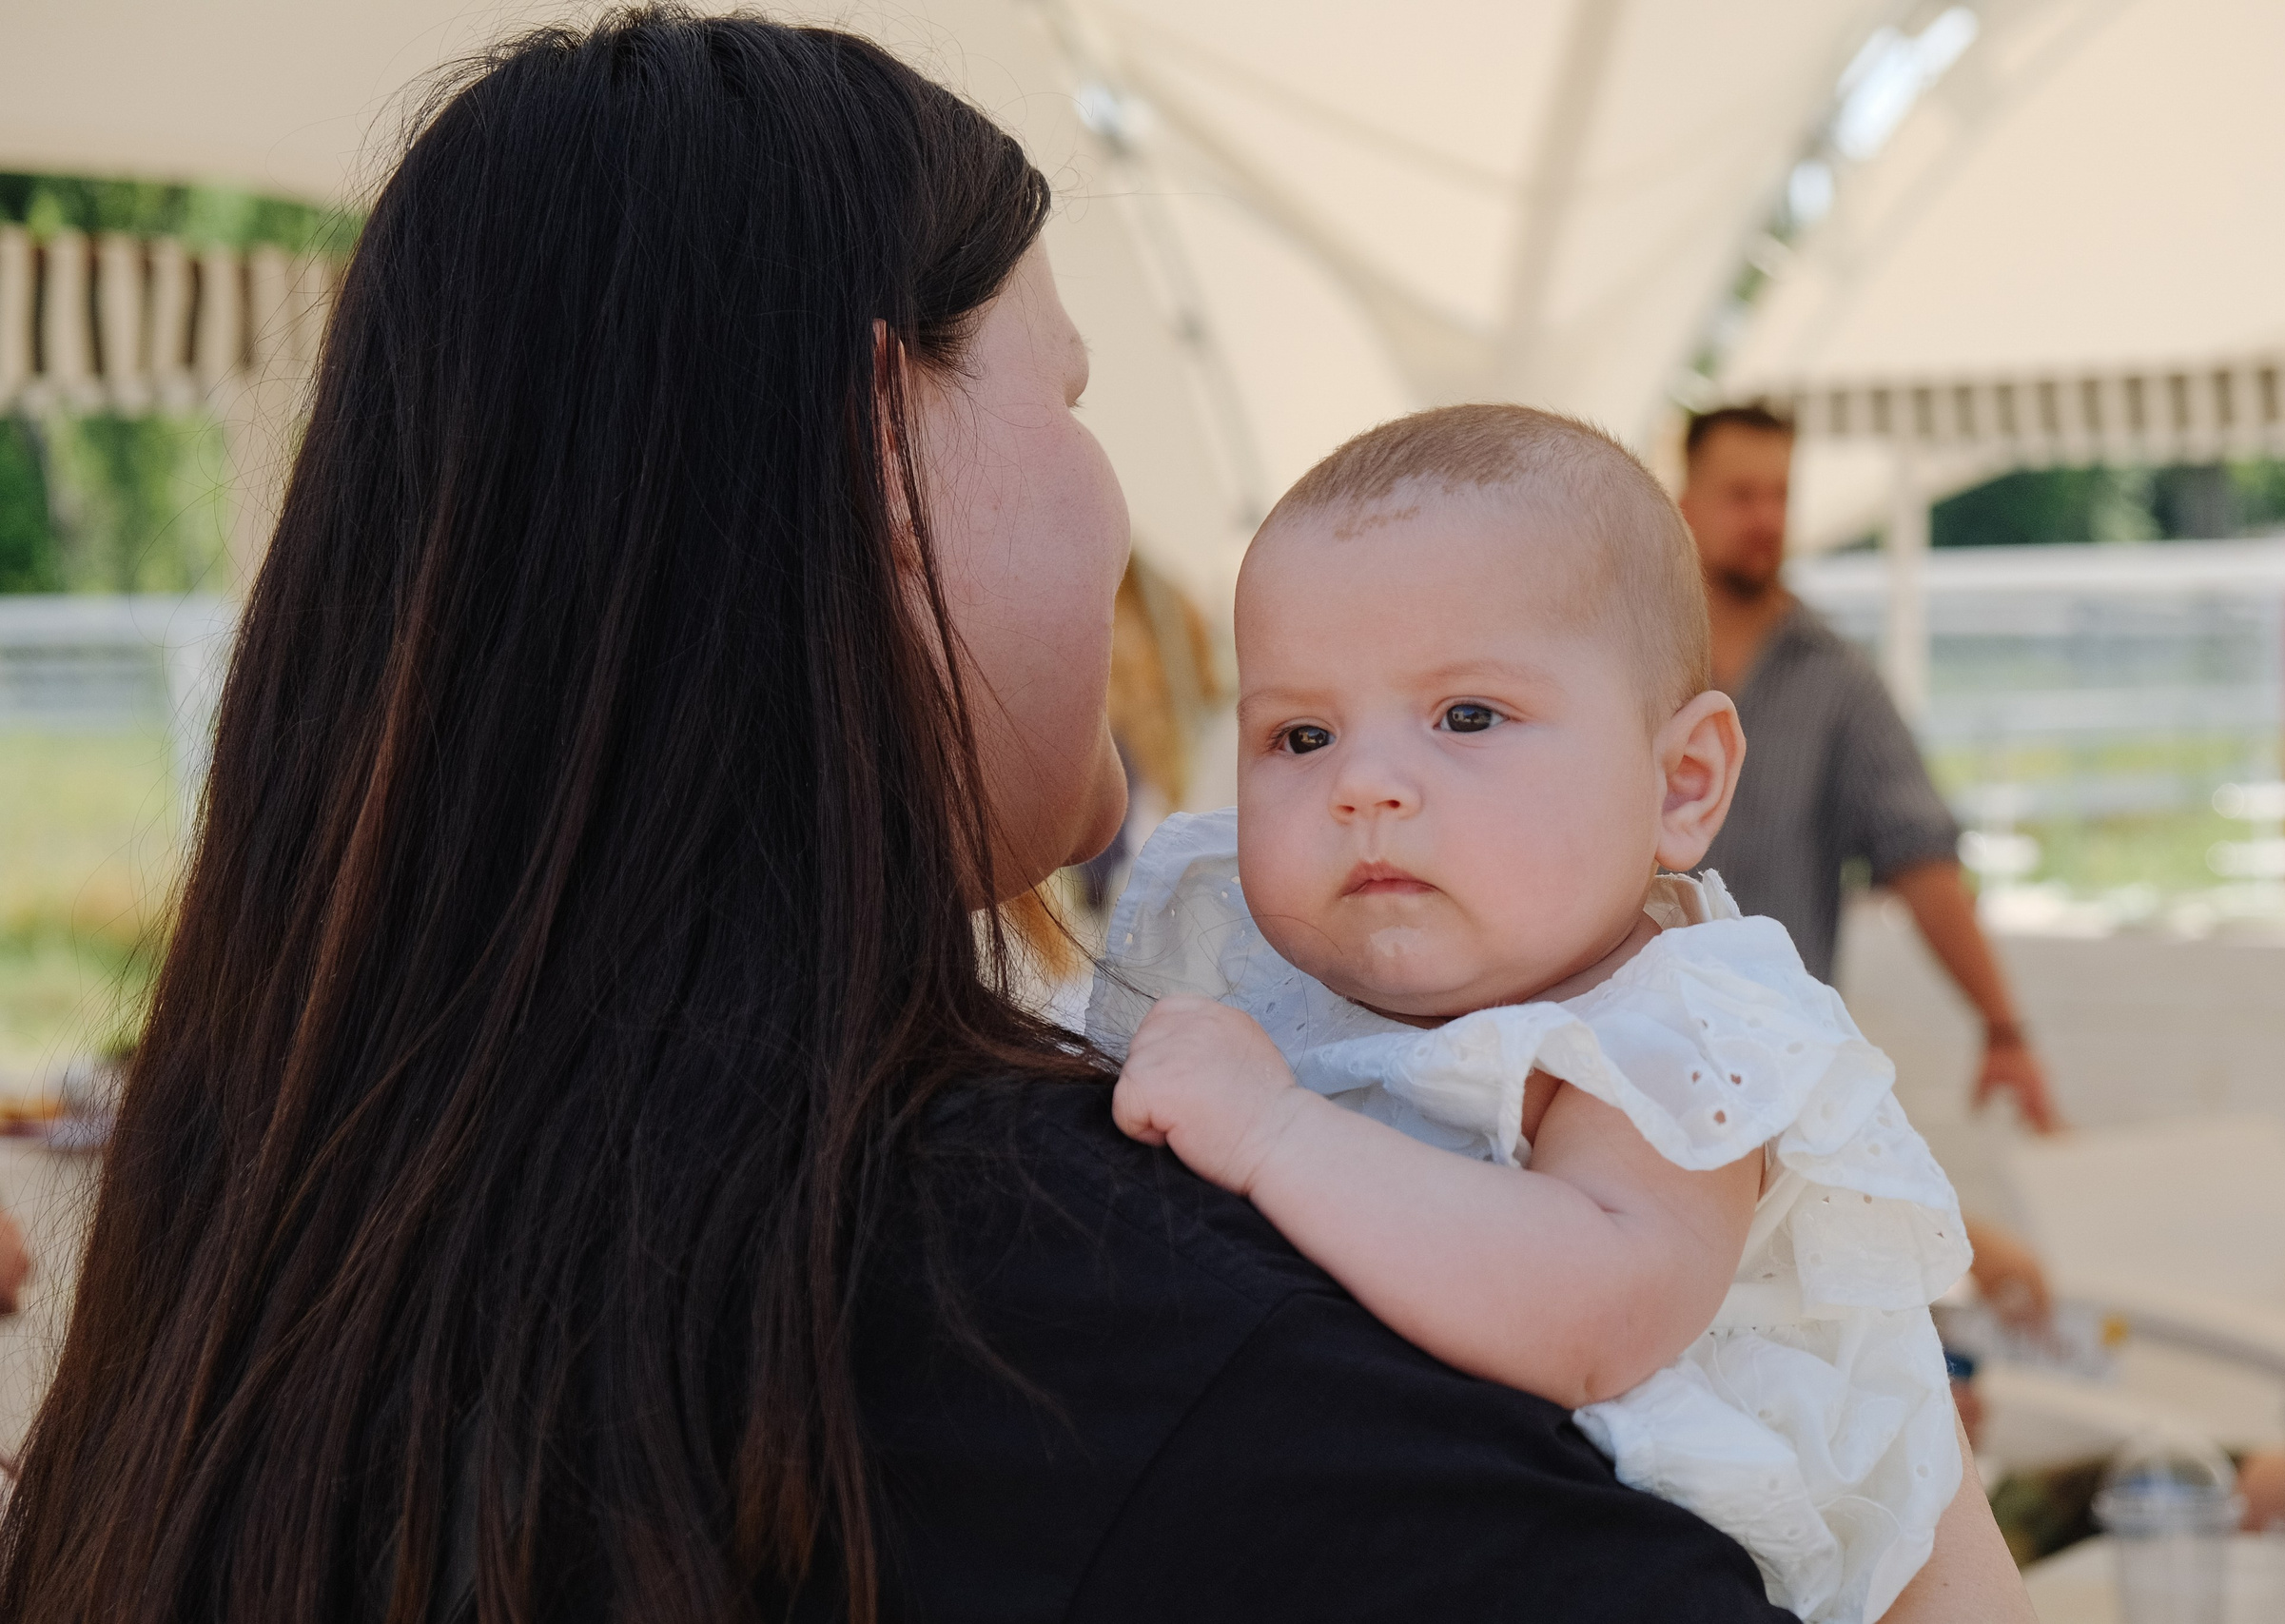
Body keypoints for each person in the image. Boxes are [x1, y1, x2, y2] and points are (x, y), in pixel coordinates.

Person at [0, 16, 2024, 1623]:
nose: (1110, 513)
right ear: (887, 454)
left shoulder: (275, 1232)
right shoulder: (1117, 1329)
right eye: (1067, 404)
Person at [1095, 406, 2021, 1624]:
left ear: (1679, 784)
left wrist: (1271, 1135)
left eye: (1466, 716)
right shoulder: (1252, 991)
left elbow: (1598, 1307)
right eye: (1300, 735)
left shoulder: (1673, 1026)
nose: (1363, 784)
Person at [1680, 406, 2060, 1132]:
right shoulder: (1631, 661)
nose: (1765, 517)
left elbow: (1920, 855)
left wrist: (2003, 1027)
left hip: (1779, 1064)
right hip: (1624, 1042)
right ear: (1685, 504)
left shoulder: (1838, 678)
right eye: (1740, 495)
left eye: (1779, 495)